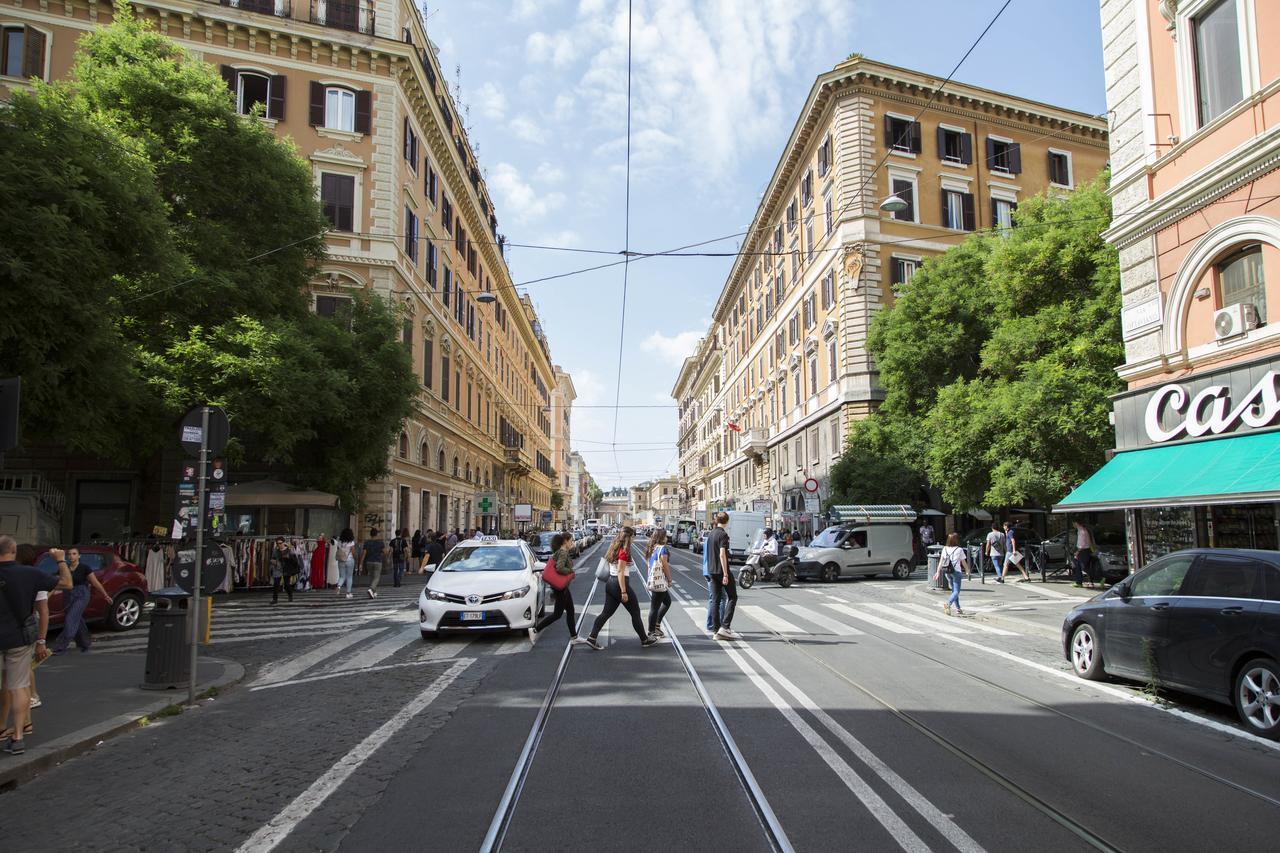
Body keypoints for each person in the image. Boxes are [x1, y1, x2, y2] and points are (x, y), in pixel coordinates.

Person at [0, 537, 71, 755]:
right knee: (19, 686)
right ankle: (19, 737)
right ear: (13, 551)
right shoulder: (29, 574)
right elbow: (67, 583)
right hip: (19, 639)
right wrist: (60, 560)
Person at [583, 527, 658, 650]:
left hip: (610, 584)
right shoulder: (624, 551)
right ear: (629, 537)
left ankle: (592, 637)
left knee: (606, 613)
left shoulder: (614, 547)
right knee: (635, 612)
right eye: (633, 537)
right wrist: (623, 591)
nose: (634, 539)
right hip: (618, 585)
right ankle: (644, 639)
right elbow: (620, 572)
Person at [51, 547, 110, 653]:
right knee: (78, 620)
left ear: (79, 556)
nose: (71, 556)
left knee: (70, 619)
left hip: (81, 594)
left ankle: (60, 646)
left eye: (74, 554)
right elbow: (56, 582)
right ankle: (85, 643)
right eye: (69, 554)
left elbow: (95, 583)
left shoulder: (84, 568)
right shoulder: (64, 567)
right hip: (67, 595)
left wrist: (105, 595)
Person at [531, 533, 579, 641]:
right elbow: (559, 568)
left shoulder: (561, 552)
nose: (572, 542)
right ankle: (535, 630)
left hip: (562, 588)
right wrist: (571, 571)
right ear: (565, 541)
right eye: (571, 540)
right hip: (561, 589)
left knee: (570, 610)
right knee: (557, 614)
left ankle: (574, 636)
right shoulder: (562, 552)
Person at [707, 512, 737, 640]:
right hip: (721, 570)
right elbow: (722, 554)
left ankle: (715, 630)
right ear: (726, 521)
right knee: (732, 597)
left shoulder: (711, 533)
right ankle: (725, 627)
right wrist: (725, 573)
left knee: (715, 600)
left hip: (712, 570)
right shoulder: (723, 535)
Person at [645, 529, 673, 639]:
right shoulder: (663, 549)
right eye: (665, 536)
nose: (667, 538)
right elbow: (664, 565)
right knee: (655, 607)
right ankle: (651, 631)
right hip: (659, 581)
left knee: (667, 602)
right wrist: (670, 579)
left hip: (655, 579)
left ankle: (656, 625)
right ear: (662, 537)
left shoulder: (653, 548)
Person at [934, 533, 969, 616]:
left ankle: (958, 609)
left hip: (947, 572)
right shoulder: (959, 549)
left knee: (954, 591)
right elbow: (963, 562)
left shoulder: (944, 549)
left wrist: (938, 572)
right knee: (956, 591)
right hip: (956, 572)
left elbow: (941, 562)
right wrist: (967, 570)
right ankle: (948, 604)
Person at [269, 538, 299, 604]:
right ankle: (275, 599)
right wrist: (274, 562)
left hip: (287, 569)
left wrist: (289, 557)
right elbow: (271, 559)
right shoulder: (275, 551)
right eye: (277, 543)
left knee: (286, 584)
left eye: (280, 543)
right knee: (276, 584)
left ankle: (290, 595)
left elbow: (295, 561)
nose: (279, 545)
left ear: (284, 543)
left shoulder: (289, 550)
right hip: (277, 568)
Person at [360, 528, 386, 598]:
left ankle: (373, 592)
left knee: (371, 577)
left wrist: (361, 563)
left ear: (370, 534)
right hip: (377, 561)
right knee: (376, 577)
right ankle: (371, 589)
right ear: (377, 534)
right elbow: (385, 552)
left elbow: (364, 553)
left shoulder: (367, 542)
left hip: (369, 561)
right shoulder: (380, 542)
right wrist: (382, 554)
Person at [1071, 520, 1097, 588]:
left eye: (1073, 523)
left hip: (1083, 551)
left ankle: (1090, 581)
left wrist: (1077, 552)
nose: (1073, 525)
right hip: (1085, 550)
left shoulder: (1082, 531)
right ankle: (1079, 582)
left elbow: (1082, 544)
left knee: (1084, 567)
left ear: (1076, 523)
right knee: (1079, 566)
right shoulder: (1082, 530)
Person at [334, 529, 356, 599]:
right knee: (349, 577)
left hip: (341, 560)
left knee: (342, 576)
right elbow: (353, 552)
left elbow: (338, 549)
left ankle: (338, 586)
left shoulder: (339, 542)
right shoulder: (351, 542)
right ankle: (348, 593)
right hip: (349, 560)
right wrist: (354, 557)